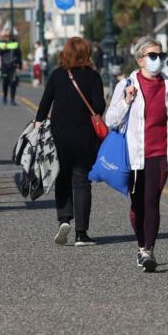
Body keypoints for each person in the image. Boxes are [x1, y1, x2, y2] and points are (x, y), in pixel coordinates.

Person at [105, 36, 168, 273]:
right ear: (140, 60)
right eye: (152, 56)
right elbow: (110, 120)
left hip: (159, 154)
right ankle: (140, 246)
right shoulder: (127, 84)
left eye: (160, 56)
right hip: (132, 155)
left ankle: (148, 250)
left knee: (152, 201)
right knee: (137, 204)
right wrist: (127, 101)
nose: (157, 60)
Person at [36, 37, 105, 247]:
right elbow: (99, 106)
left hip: (59, 136)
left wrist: (38, 123)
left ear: (65, 54)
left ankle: (64, 219)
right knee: (82, 181)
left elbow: (44, 104)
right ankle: (81, 234)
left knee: (62, 177)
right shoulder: (93, 77)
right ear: (87, 54)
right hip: (84, 137)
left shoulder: (57, 75)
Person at [0, 32, 22, 105]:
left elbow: (19, 54)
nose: (8, 37)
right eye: (6, 36)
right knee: (5, 82)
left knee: (13, 83)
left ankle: (12, 99)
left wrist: (19, 64)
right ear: (4, 37)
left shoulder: (15, 44)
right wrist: (2, 49)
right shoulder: (1, 43)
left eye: (9, 36)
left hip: (13, 66)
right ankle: (4, 97)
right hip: (5, 66)